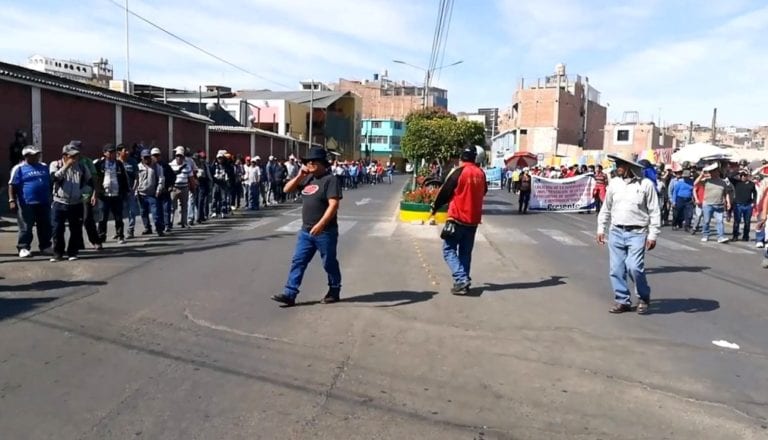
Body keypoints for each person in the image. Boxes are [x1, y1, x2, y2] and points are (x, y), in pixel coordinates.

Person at [271, 147, 343, 307]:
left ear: (322, 163)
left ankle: (334, 290)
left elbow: (334, 204)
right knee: (298, 261)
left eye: (312, 161)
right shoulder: (307, 179)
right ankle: (290, 293)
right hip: (306, 231)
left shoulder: (330, 180)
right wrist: (300, 176)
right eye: (307, 162)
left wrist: (321, 224)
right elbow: (286, 189)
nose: (308, 164)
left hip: (325, 232)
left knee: (328, 262)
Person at [596, 153, 660, 315]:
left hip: (637, 232)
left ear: (630, 167)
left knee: (634, 267)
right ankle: (622, 300)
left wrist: (653, 235)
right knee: (616, 269)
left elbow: (654, 211)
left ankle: (644, 297)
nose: (617, 168)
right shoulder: (615, 184)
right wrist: (600, 228)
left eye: (620, 165)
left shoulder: (646, 185)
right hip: (616, 231)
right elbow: (606, 207)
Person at [430, 147, 488, 296]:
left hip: (457, 218)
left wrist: (434, 208)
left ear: (461, 158)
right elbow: (484, 191)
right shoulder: (481, 174)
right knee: (465, 252)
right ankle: (463, 283)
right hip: (473, 220)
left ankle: (461, 279)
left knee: (448, 250)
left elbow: (445, 191)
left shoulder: (459, 172)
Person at [49, 143, 92, 261]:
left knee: (76, 229)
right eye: (72, 156)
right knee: (57, 229)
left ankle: (73, 252)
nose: (75, 158)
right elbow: (54, 178)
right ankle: (58, 253)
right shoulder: (55, 164)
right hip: (59, 202)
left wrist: (85, 197)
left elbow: (89, 183)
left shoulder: (82, 167)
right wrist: (66, 166)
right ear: (64, 155)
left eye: (76, 155)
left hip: (76, 203)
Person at [8, 145, 52, 258]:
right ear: (26, 156)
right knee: (26, 227)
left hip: (43, 202)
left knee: (45, 225)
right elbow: (12, 185)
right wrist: (11, 200)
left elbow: (50, 182)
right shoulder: (19, 168)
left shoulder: (44, 166)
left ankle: (45, 246)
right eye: (34, 155)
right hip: (26, 203)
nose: (37, 156)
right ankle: (23, 247)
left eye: (38, 154)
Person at [94, 143, 130, 244]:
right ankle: (101, 236)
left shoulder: (119, 164)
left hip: (117, 194)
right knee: (102, 217)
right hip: (104, 195)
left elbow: (124, 178)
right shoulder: (99, 164)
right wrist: (96, 192)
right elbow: (94, 178)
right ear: (105, 153)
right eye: (110, 152)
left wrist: (126, 191)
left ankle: (120, 235)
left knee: (118, 216)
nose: (112, 154)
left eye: (113, 152)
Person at [696, 163, 732, 243]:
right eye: (711, 172)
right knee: (706, 221)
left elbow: (726, 193)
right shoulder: (706, 181)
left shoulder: (723, 182)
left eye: (714, 172)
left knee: (720, 221)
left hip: (719, 204)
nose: (712, 173)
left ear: (718, 172)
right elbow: (695, 183)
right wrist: (702, 174)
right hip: (708, 204)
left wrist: (728, 202)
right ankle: (705, 235)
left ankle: (720, 237)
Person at [135, 149, 165, 236]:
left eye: (148, 157)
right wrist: (135, 192)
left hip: (152, 194)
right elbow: (136, 180)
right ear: (141, 158)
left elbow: (161, 179)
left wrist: (159, 189)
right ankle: (147, 228)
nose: (147, 159)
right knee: (143, 212)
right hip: (141, 194)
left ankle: (159, 229)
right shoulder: (138, 167)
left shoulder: (157, 167)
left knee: (155, 213)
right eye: (145, 157)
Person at [118, 144, 139, 238]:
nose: (127, 152)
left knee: (132, 211)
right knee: (118, 212)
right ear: (119, 152)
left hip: (130, 191)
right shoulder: (116, 162)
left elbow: (136, 178)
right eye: (125, 150)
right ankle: (118, 231)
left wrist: (134, 189)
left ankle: (130, 230)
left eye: (127, 150)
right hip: (118, 191)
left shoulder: (133, 162)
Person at [729, 169, 757, 241]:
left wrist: (754, 202)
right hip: (738, 205)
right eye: (741, 175)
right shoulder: (737, 182)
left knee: (747, 222)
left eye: (744, 175)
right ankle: (735, 236)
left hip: (748, 205)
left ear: (747, 176)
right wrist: (739, 171)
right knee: (736, 221)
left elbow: (755, 193)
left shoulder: (752, 184)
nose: (743, 177)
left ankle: (745, 236)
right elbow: (729, 176)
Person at [169, 146, 193, 228]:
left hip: (184, 187)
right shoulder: (171, 165)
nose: (179, 158)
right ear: (175, 156)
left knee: (184, 206)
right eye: (177, 156)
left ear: (183, 157)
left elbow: (191, 178)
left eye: (181, 156)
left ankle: (184, 223)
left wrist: (192, 188)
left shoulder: (187, 166)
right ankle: (169, 223)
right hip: (174, 188)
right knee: (172, 207)